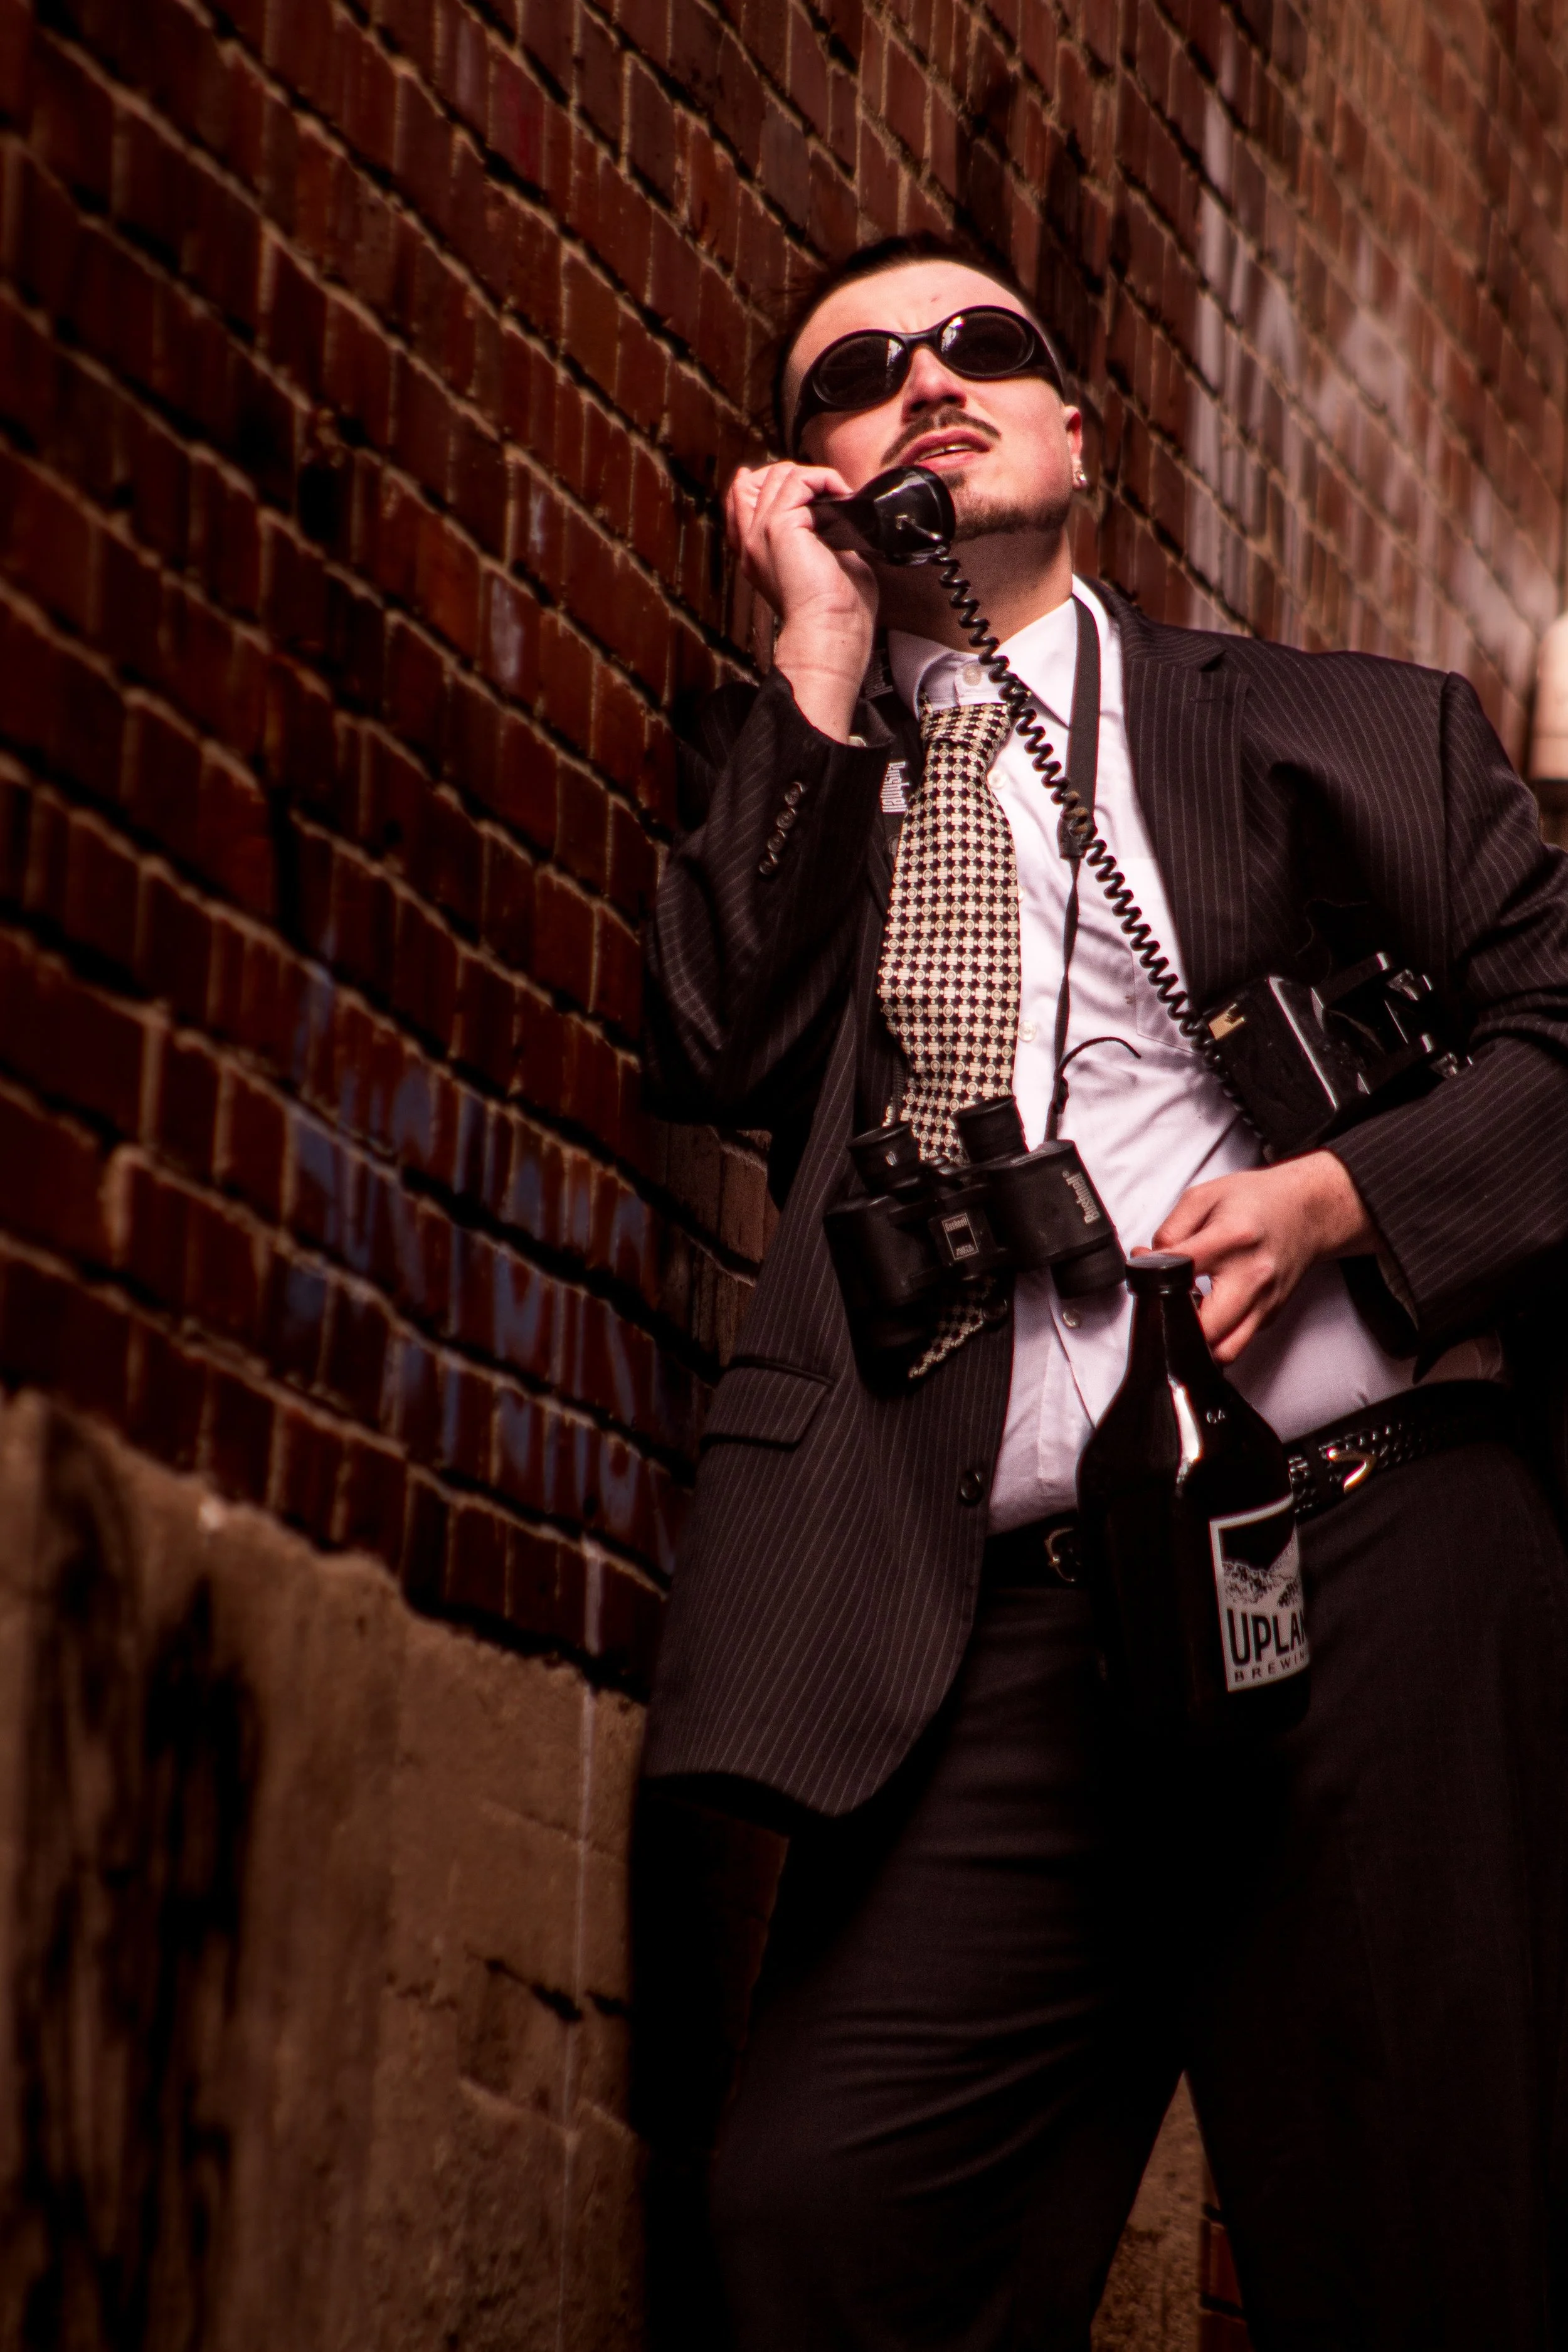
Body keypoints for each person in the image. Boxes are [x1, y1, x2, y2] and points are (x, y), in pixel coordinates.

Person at [638, 231, 1568, 2351]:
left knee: (1434, 2241)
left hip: (1372, 1561)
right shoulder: (797, 781)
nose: (925, 380)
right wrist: (818, 644)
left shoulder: (1352, 736)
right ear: (806, 478)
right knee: (818, 2213)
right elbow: (713, 1040)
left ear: (1075, 428)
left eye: (984, 346)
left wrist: (1343, 1194)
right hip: (1000, 1634)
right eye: (856, 376)